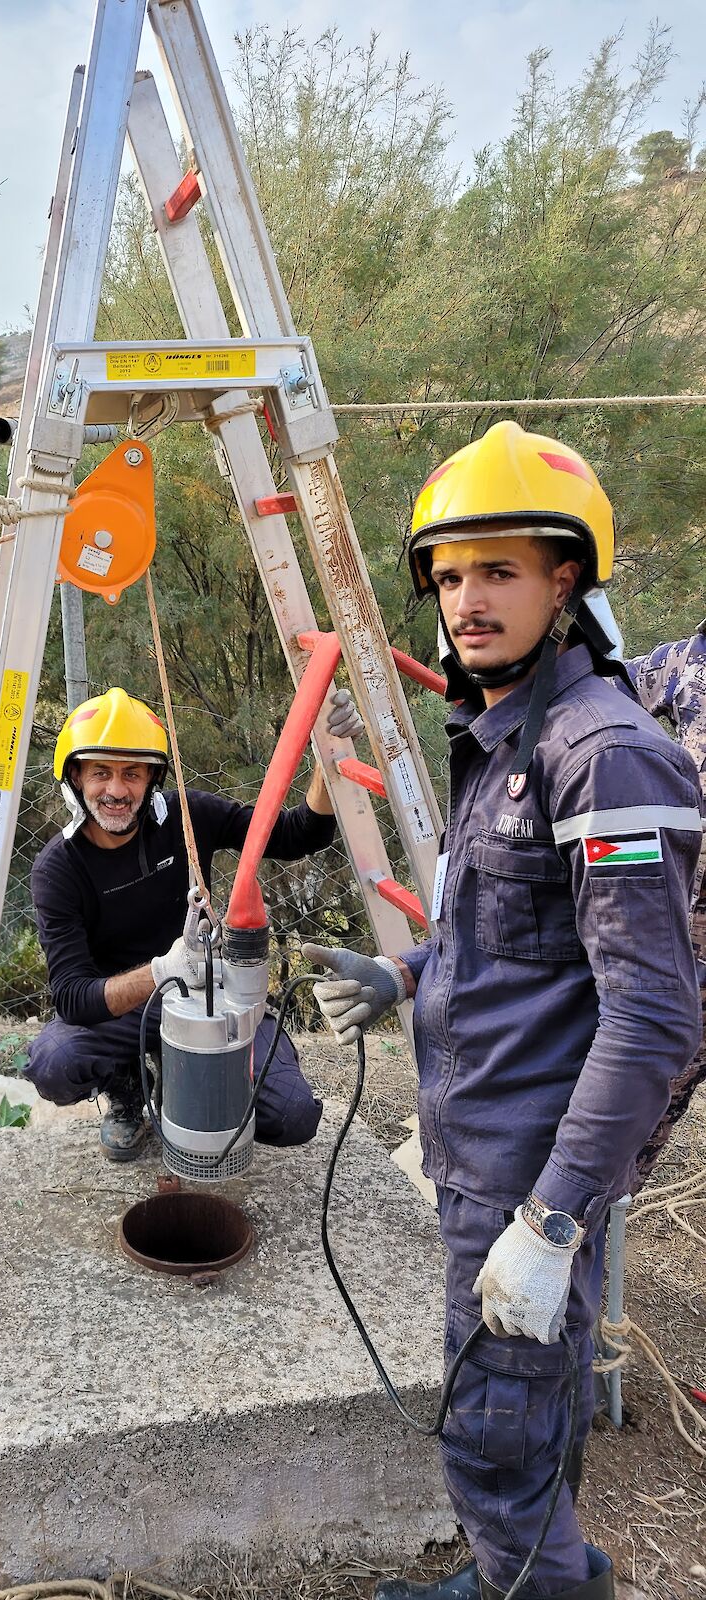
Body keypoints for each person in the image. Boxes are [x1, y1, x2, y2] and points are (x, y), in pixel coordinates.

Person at [303, 422, 702, 1600]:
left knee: (492, 1426)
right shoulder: (505, 731)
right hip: (484, 1150)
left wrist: (555, 1222)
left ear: (565, 577)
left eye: (502, 570)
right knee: (521, 1406)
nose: (468, 599)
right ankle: (538, 1570)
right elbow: (510, 937)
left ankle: (533, 1583)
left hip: (535, 1171)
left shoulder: (605, 756)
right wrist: (407, 978)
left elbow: (651, 1018)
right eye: (453, 572)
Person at [24, 683, 361, 1160]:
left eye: (132, 773)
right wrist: (162, 971)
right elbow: (73, 998)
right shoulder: (58, 868)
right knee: (55, 1063)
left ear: (153, 777)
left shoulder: (189, 815)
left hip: (211, 990)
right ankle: (128, 1086)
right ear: (75, 778)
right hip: (127, 1012)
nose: (117, 790)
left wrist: (330, 760)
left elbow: (294, 834)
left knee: (293, 1117)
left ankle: (191, 1077)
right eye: (100, 772)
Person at [626, 621, 706, 1185]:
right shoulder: (685, 662)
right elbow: (601, 695)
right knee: (657, 1076)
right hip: (679, 915)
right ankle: (587, 1215)